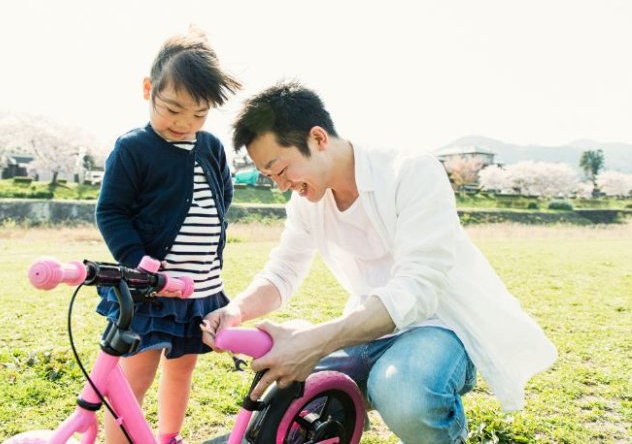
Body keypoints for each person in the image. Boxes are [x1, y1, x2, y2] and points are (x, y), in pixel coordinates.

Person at [202, 81, 557, 443]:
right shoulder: (307, 202)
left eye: (281, 169)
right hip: (366, 329)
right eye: (270, 176)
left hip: (440, 327)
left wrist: (315, 342)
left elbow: (417, 288)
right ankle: (341, 419)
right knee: (284, 391)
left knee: (403, 392)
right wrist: (236, 311)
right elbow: (283, 272)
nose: (280, 185)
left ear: (319, 139)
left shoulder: (410, 172)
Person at [96, 28, 241, 444]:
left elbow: (221, 195)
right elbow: (111, 211)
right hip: (149, 289)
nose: (184, 124)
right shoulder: (133, 149)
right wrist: (137, 258)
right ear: (148, 89)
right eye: (173, 109)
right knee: (134, 378)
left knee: (182, 369)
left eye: (198, 114)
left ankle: (168, 437)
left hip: (199, 288)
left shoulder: (211, 147)